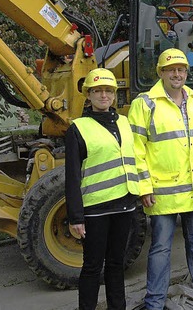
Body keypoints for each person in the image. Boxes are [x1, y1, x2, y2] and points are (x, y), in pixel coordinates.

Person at [128, 48, 193, 309]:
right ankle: (154, 301)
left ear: (187, 74)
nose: (177, 74)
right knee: (160, 249)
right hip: (162, 193)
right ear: (161, 73)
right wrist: (144, 187)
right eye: (171, 70)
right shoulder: (145, 104)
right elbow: (137, 150)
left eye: (181, 70)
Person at [65, 68, 139, 310]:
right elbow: (72, 176)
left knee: (117, 264)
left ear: (114, 94)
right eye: (98, 91)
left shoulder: (124, 123)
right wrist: (75, 217)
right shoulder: (78, 128)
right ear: (89, 95)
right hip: (95, 209)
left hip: (124, 205)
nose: (103, 95)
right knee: (92, 266)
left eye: (108, 90)